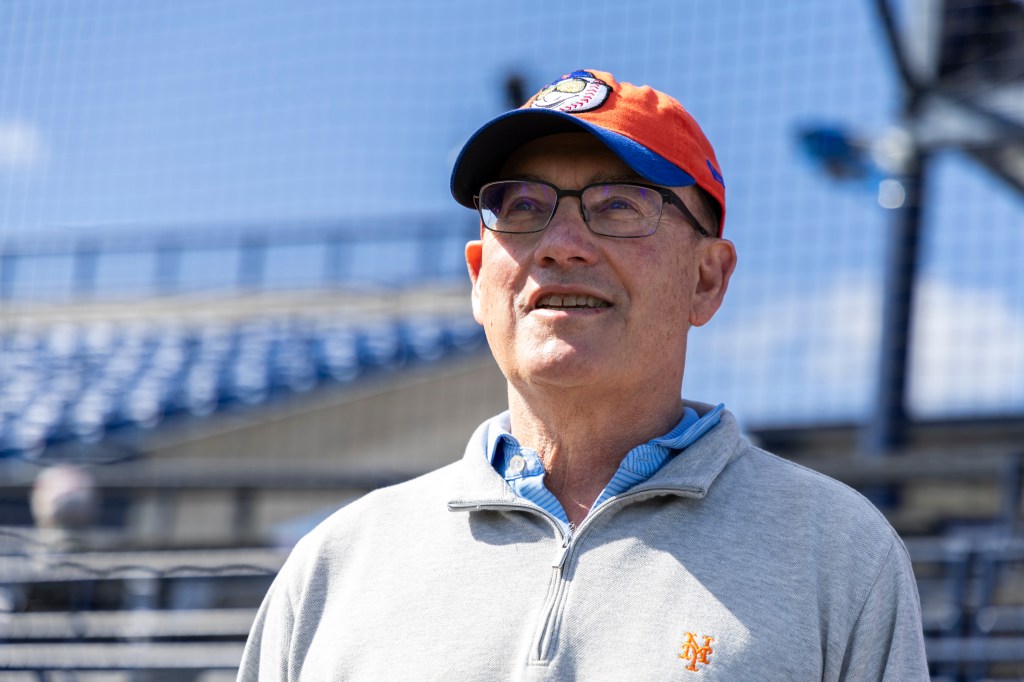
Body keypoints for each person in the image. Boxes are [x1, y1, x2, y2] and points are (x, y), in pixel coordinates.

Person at [238, 69, 928, 680]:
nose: (562, 245)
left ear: (707, 278)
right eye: (523, 208)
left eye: (619, 205)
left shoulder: (836, 554)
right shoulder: (338, 564)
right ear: (481, 279)